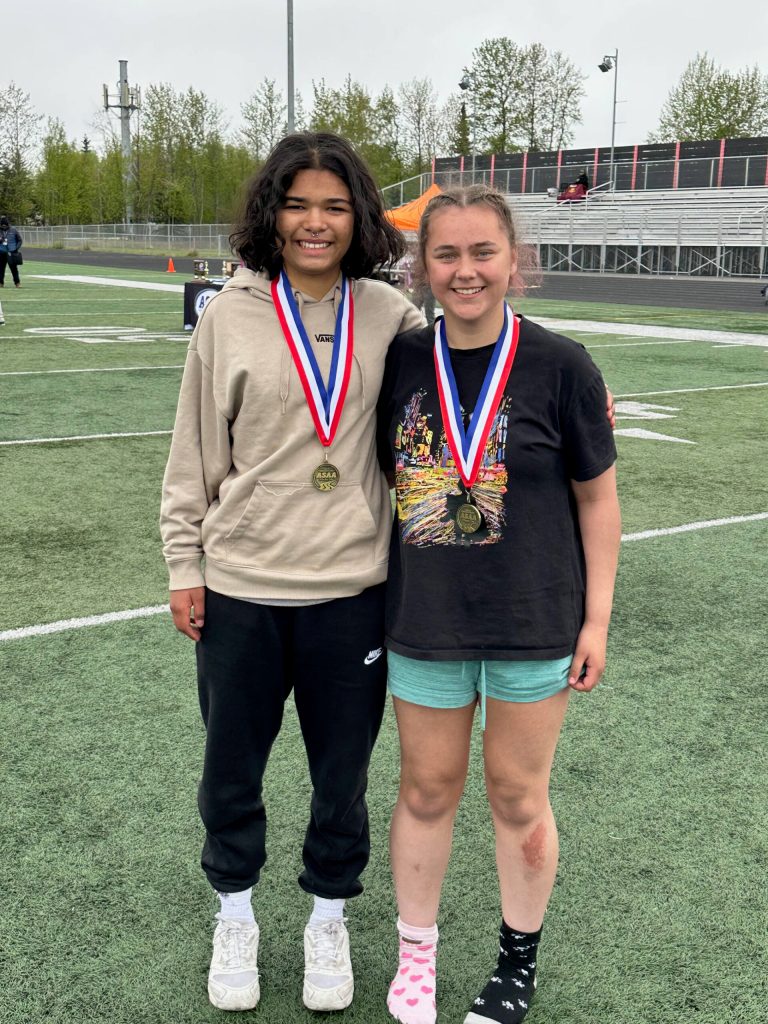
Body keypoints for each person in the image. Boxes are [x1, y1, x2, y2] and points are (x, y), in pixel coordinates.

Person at [160, 131, 425, 1013]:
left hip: (351, 593)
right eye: (298, 203)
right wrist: (183, 564)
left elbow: (466, 382)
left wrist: (564, 380)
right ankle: (234, 911)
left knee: (341, 774)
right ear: (271, 212)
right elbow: (192, 453)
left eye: (335, 206)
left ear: (359, 217)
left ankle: (327, 919)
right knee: (230, 768)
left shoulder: (388, 314)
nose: (316, 223)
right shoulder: (228, 315)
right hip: (239, 590)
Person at [376, 184, 621, 1024]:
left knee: (518, 795)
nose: (466, 270)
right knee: (425, 789)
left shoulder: (564, 366)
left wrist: (596, 620)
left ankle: (517, 964)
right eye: (447, 254)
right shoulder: (402, 360)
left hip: (532, 624)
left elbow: (598, 500)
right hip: (425, 623)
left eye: (484, 252)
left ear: (516, 262)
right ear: (422, 267)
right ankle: (417, 957)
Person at [0, 216, 23, 287]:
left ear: (8, 224)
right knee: (0, 269)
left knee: (14, 269)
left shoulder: (14, 230)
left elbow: (20, 240)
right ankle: (1, 283)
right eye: (2, 225)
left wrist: (16, 248)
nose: (3, 227)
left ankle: (17, 283)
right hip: (1, 252)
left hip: (12, 252)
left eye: (5, 225)